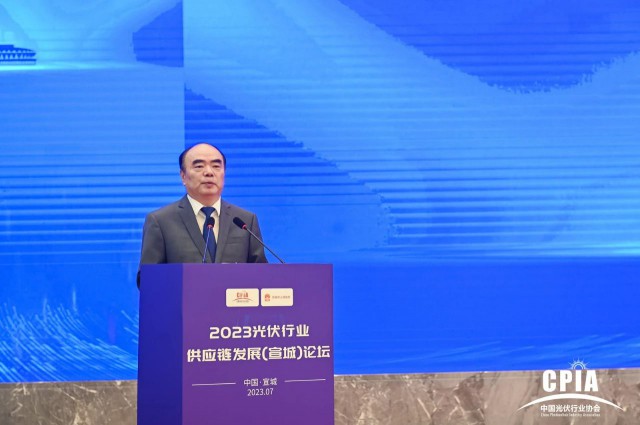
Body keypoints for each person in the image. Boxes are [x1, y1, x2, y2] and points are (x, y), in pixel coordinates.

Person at [137, 143, 267, 286]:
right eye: (199, 166)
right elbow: (148, 280)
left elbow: (262, 276)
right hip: (183, 300)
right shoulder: (161, 221)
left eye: (216, 166)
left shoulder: (245, 220)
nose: (209, 172)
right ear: (183, 176)